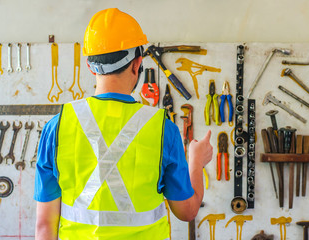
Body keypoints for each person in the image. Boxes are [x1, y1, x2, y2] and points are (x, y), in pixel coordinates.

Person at [34, 8, 213, 240]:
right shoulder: (162, 128)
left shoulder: (56, 128)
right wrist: (196, 161)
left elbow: (44, 228)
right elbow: (186, 211)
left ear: (89, 65)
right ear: (137, 64)